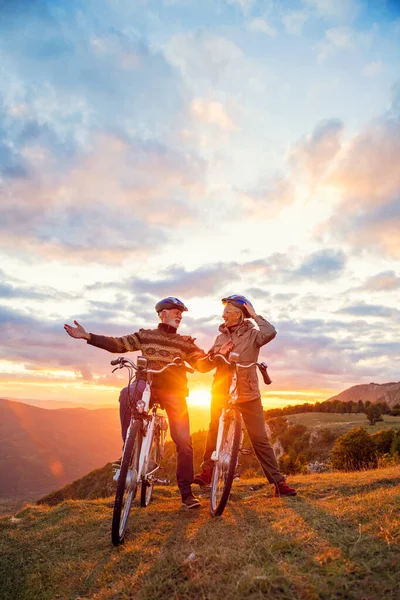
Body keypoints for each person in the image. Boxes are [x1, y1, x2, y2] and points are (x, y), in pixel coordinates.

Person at [64, 296, 228, 510]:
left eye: (181, 312)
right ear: (162, 314)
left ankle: (186, 493)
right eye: (175, 310)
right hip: (146, 384)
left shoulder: (184, 343)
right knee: (126, 394)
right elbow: (119, 344)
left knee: (184, 441)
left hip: (174, 391)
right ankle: (129, 452)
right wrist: (88, 336)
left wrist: (216, 356)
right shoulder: (145, 335)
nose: (179, 315)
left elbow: (202, 365)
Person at [193, 294, 297, 497]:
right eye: (223, 312)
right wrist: (218, 354)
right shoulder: (220, 337)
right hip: (221, 390)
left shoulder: (253, 335)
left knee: (259, 438)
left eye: (227, 311)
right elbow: (204, 366)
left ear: (240, 315)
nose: (223, 315)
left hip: (248, 393)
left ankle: (278, 482)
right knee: (214, 429)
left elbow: (271, 332)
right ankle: (208, 471)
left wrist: (255, 315)